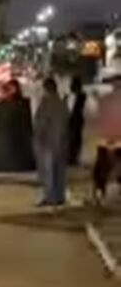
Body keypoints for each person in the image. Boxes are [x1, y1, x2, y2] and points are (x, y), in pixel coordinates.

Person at [33, 77, 69, 207]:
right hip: (61, 143)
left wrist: (37, 139)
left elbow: (40, 124)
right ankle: (60, 196)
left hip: (47, 143)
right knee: (60, 171)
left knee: (48, 172)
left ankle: (50, 197)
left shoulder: (45, 104)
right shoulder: (62, 103)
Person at [93, 74, 121, 202]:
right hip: (116, 140)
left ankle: (100, 190)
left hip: (105, 140)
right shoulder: (105, 100)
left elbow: (99, 120)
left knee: (101, 169)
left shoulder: (104, 100)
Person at [68, 76, 87, 166]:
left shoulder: (81, 96)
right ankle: (72, 157)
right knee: (73, 139)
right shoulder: (73, 96)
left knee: (75, 139)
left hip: (76, 120)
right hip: (74, 120)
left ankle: (74, 158)